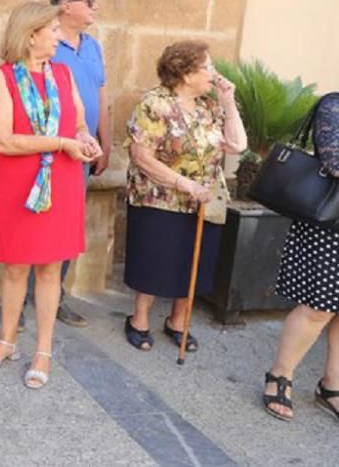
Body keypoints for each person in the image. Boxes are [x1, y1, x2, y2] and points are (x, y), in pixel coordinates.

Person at [0, 2, 101, 389]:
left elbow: (80, 122)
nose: (57, 35)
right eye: (51, 29)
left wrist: (84, 139)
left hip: (62, 180)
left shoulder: (63, 74)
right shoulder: (3, 77)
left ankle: (43, 351)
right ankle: (7, 341)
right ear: (30, 35)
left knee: (50, 270)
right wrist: (62, 142)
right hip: (20, 181)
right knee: (15, 267)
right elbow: (3, 140)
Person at [122, 41, 246, 353]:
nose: (214, 74)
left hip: (205, 198)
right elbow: (141, 156)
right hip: (160, 196)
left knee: (196, 260)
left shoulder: (210, 105)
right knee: (155, 260)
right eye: (208, 67)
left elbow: (238, 144)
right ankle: (139, 319)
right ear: (185, 73)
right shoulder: (156, 103)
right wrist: (184, 184)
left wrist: (229, 102)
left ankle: (178, 321)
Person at [22, 0, 111, 329]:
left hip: (81, 152)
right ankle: (21, 296)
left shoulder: (93, 47)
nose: (94, 6)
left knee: (67, 228)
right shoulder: (46, 45)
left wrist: (106, 141)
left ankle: (54, 296)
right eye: (88, 0)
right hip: (44, 152)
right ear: (64, 6)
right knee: (33, 223)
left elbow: (101, 96)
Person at [262, 92, 339, 423]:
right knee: (318, 309)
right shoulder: (334, 105)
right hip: (329, 224)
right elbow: (335, 160)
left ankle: (332, 384)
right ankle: (280, 375)